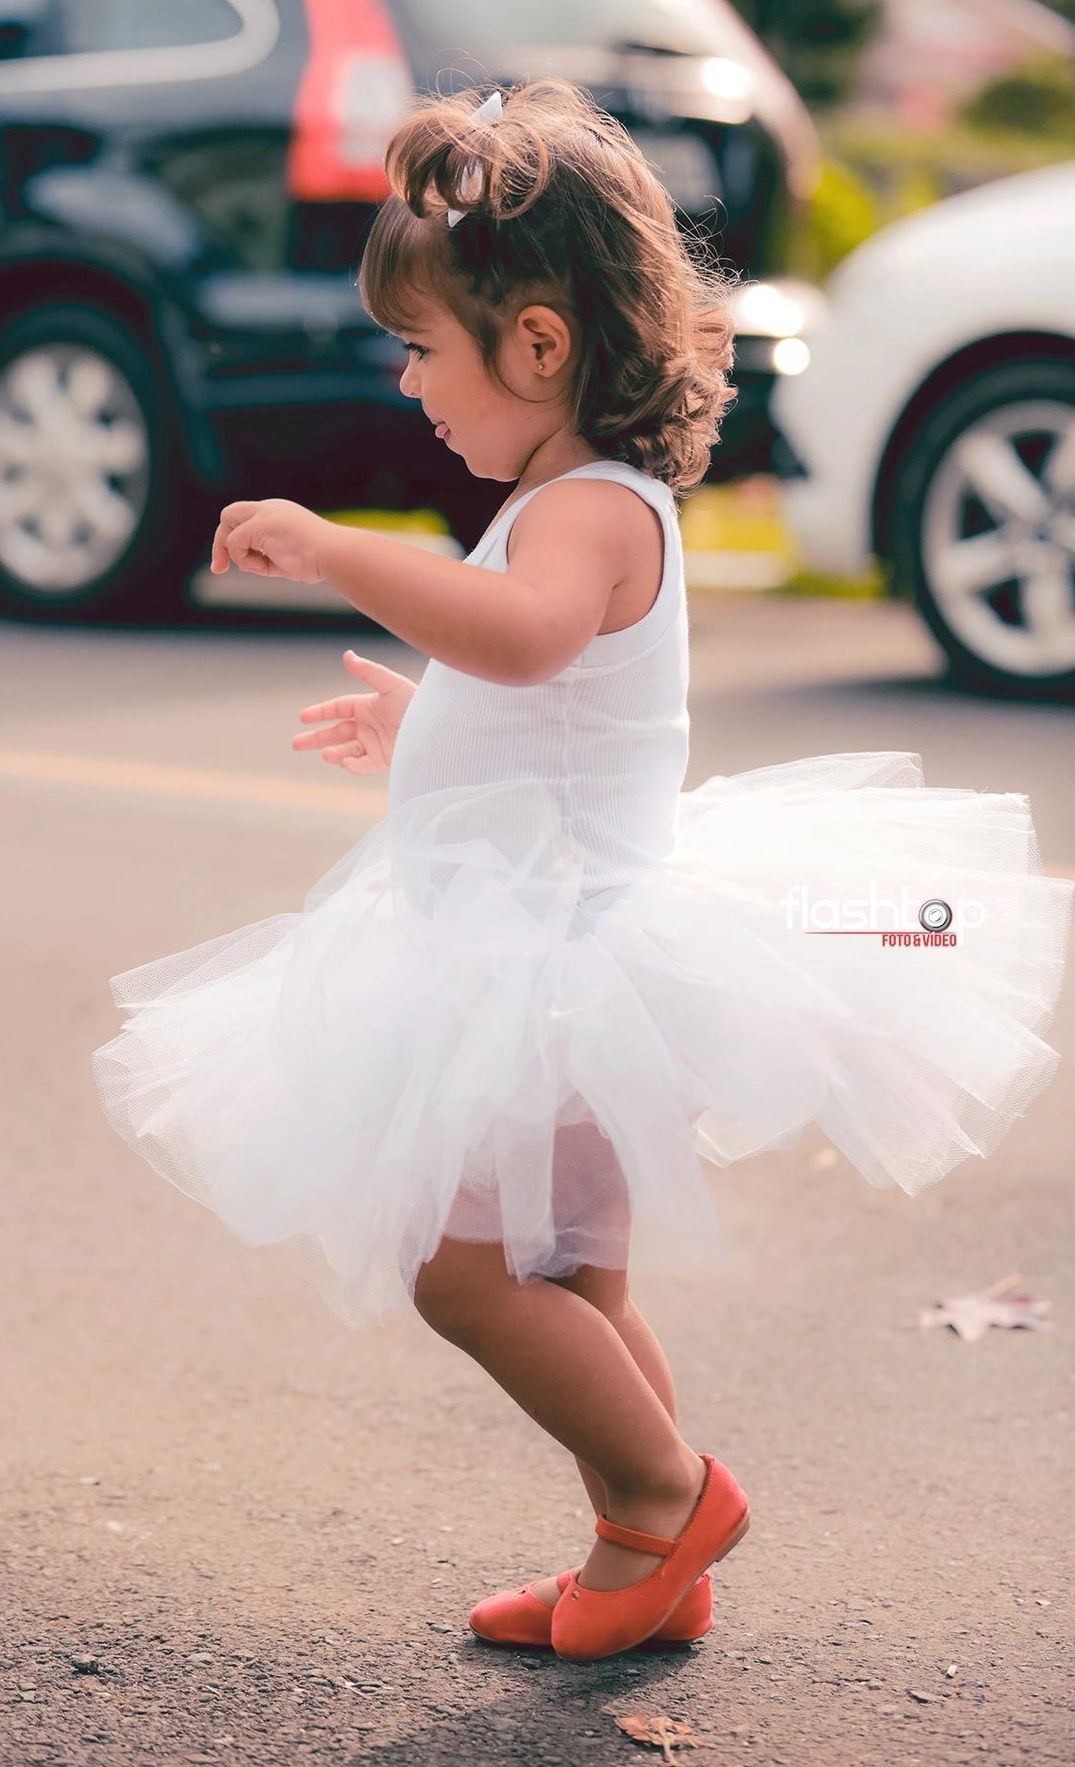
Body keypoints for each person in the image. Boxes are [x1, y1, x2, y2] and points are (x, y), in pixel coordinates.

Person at [90, 80, 1073, 1662]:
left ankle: (665, 1499)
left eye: (424, 349)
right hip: (575, 963)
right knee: (571, 1279)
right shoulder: (572, 505)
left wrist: (339, 549)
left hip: (559, 974)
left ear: (539, 347)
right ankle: (650, 1551)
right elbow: (549, 702)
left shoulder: (590, 513)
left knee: (466, 1278)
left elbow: (535, 639)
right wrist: (426, 725)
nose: (409, 384)